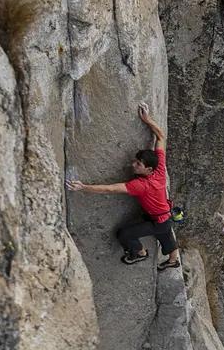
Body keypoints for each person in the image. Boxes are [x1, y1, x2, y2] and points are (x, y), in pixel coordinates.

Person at [67, 104, 181, 270]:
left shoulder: (141, 185)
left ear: (148, 169)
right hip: (163, 215)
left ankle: (140, 253)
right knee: (164, 231)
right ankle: (173, 260)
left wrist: (83, 187)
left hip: (159, 218)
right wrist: (147, 120)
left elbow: (110, 189)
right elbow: (161, 137)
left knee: (125, 234)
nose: (133, 165)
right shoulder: (159, 168)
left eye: (138, 164)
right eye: (136, 161)